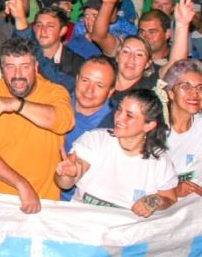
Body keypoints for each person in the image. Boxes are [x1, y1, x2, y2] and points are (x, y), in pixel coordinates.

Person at [0, 37, 75, 213]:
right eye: (10, 67)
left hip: (45, 202)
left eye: (24, 67)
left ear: (36, 68)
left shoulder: (55, 92)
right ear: (2, 70)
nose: (17, 75)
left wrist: (16, 104)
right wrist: (21, 184)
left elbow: (63, 121)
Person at [56, 90, 178, 217]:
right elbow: (66, 182)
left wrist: (155, 201)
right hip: (84, 224)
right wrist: (67, 174)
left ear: (149, 125)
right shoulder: (96, 139)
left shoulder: (159, 161)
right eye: (119, 110)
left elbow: (170, 197)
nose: (119, 117)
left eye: (129, 115)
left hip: (127, 232)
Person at [162, 59, 202, 198]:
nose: (194, 94)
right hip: (159, 207)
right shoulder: (153, 129)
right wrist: (173, 191)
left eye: (200, 88)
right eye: (186, 87)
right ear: (171, 93)